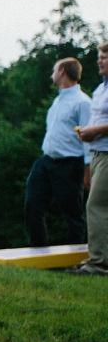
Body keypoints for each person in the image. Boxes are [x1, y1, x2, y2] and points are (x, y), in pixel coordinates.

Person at [24, 57, 91, 247]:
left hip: (70, 164)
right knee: (32, 204)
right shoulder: (58, 100)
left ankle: (74, 257)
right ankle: (37, 249)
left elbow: (87, 138)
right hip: (46, 162)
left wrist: (87, 169)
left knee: (72, 213)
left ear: (62, 72)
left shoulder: (82, 102)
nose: (51, 74)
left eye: (54, 70)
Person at [69, 43, 108, 276]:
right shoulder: (100, 90)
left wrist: (95, 132)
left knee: (97, 205)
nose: (100, 61)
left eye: (105, 57)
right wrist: (87, 131)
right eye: (99, 58)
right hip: (97, 152)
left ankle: (98, 264)